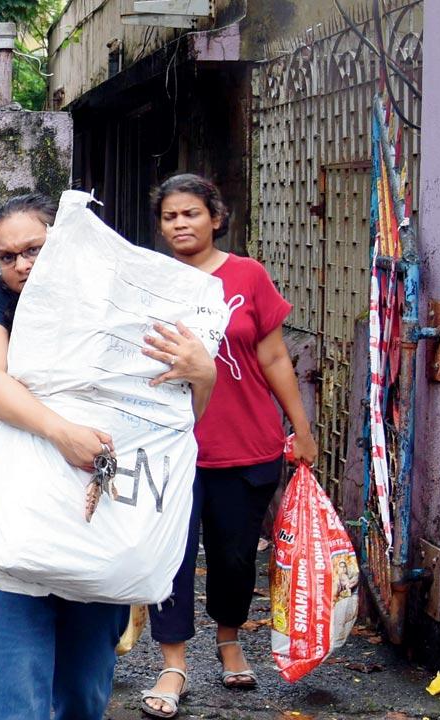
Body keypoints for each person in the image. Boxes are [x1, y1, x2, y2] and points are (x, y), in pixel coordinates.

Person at [0, 193, 217, 720]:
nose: (22, 265)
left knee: (83, 692)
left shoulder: (121, 304)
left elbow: (174, 417)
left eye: (34, 249)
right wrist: (62, 433)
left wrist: (204, 372)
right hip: (7, 523)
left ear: (66, 240)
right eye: (7, 256)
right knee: (17, 692)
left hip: (105, 518)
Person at [142, 174, 318, 719]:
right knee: (167, 557)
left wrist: (301, 426)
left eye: (190, 213)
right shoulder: (151, 280)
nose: (180, 224)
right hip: (170, 446)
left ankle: (229, 638)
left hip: (245, 443)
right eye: (170, 216)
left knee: (235, 556)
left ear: (215, 217)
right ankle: (173, 663)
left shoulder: (248, 276)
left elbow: (272, 358)